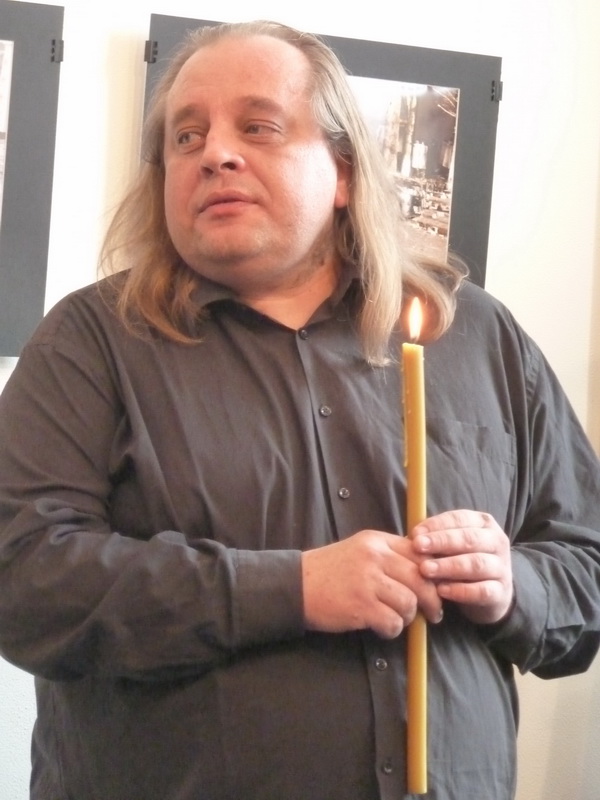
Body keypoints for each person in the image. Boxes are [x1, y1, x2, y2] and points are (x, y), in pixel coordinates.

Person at [0, 20, 599, 800]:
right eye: (186, 137)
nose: (214, 153)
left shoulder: (477, 333)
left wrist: (512, 584)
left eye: (258, 127)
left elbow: (586, 569)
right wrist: (293, 589)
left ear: (343, 170)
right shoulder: (91, 343)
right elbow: (24, 580)